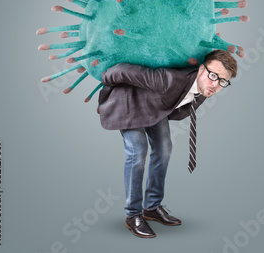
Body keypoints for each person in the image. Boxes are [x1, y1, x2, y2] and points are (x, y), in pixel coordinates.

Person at [97, 49, 238, 238]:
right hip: (129, 101)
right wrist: (106, 83)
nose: (215, 84)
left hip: (155, 106)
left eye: (222, 81)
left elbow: (178, 110)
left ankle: (152, 208)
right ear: (201, 70)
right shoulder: (169, 79)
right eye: (213, 75)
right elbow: (123, 70)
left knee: (164, 149)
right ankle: (133, 214)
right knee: (138, 152)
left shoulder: (205, 90)